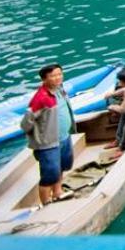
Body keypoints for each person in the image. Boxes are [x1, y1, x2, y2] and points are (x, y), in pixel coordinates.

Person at [19, 63, 75, 206]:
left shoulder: (60, 90)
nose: (58, 78)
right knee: (49, 174)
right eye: (53, 76)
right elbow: (26, 123)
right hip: (48, 142)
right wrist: (38, 137)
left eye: (59, 74)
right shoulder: (40, 98)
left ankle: (58, 192)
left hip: (64, 136)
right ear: (44, 79)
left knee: (62, 165)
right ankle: (46, 203)